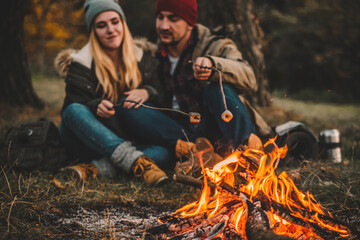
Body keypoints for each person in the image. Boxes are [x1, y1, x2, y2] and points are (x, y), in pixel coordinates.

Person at [114, 0, 273, 158]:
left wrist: (213, 65)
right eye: (160, 17)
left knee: (216, 89)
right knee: (127, 105)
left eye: (173, 19)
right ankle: (199, 154)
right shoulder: (153, 55)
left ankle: (248, 155)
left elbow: (248, 76)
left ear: (190, 23)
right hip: (180, 134)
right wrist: (147, 92)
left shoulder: (215, 45)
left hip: (217, 129)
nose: (163, 26)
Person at [54, 0, 169, 186]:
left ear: (123, 23)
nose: (110, 29)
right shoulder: (81, 64)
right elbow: (72, 112)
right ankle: (139, 164)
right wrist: (94, 105)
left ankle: (94, 169)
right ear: (93, 31)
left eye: (115, 21)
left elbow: (162, 96)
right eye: (101, 25)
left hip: (123, 139)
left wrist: (148, 91)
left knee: (163, 152)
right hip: (89, 142)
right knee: (74, 109)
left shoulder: (143, 58)